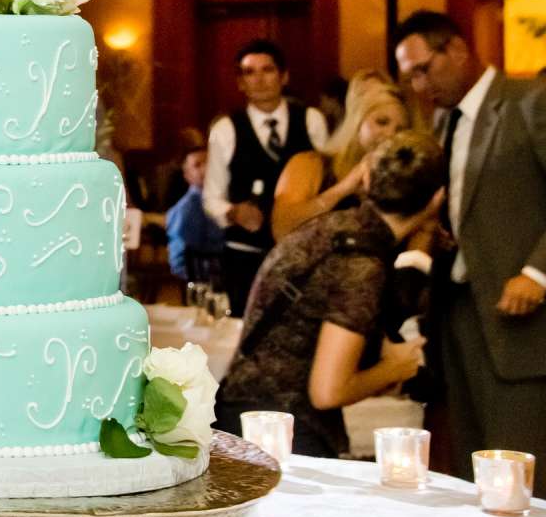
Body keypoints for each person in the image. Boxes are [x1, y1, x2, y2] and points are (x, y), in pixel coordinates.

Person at [394, 9, 546, 491]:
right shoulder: (445, 122)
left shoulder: (533, 102)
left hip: (526, 321)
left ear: (456, 48)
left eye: (422, 68)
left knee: (524, 478)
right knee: (474, 475)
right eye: (408, 75)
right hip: (461, 312)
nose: (417, 84)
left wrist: (538, 274)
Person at [216, 131, 443, 458]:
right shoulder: (360, 263)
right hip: (281, 435)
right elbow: (327, 391)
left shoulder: (330, 228)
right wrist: (398, 368)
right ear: (437, 198)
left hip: (243, 415)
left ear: (365, 180)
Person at [203, 38, 332, 316]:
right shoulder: (226, 129)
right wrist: (233, 211)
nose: (259, 79)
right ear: (240, 82)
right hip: (245, 256)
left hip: (302, 254)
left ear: (284, 76)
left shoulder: (311, 120)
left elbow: (326, 187)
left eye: (267, 70)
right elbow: (211, 198)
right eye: (250, 72)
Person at [270, 77, 408, 240]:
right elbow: (281, 229)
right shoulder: (311, 163)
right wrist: (344, 188)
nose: (391, 135)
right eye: (382, 122)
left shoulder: (399, 178)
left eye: (400, 130)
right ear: (357, 120)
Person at [164, 147, 227, 283]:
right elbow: (180, 260)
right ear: (187, 175)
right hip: (210, 281)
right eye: (197, 165)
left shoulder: (224, 200)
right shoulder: (187, 208)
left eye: (209, 163)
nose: (206, 169)